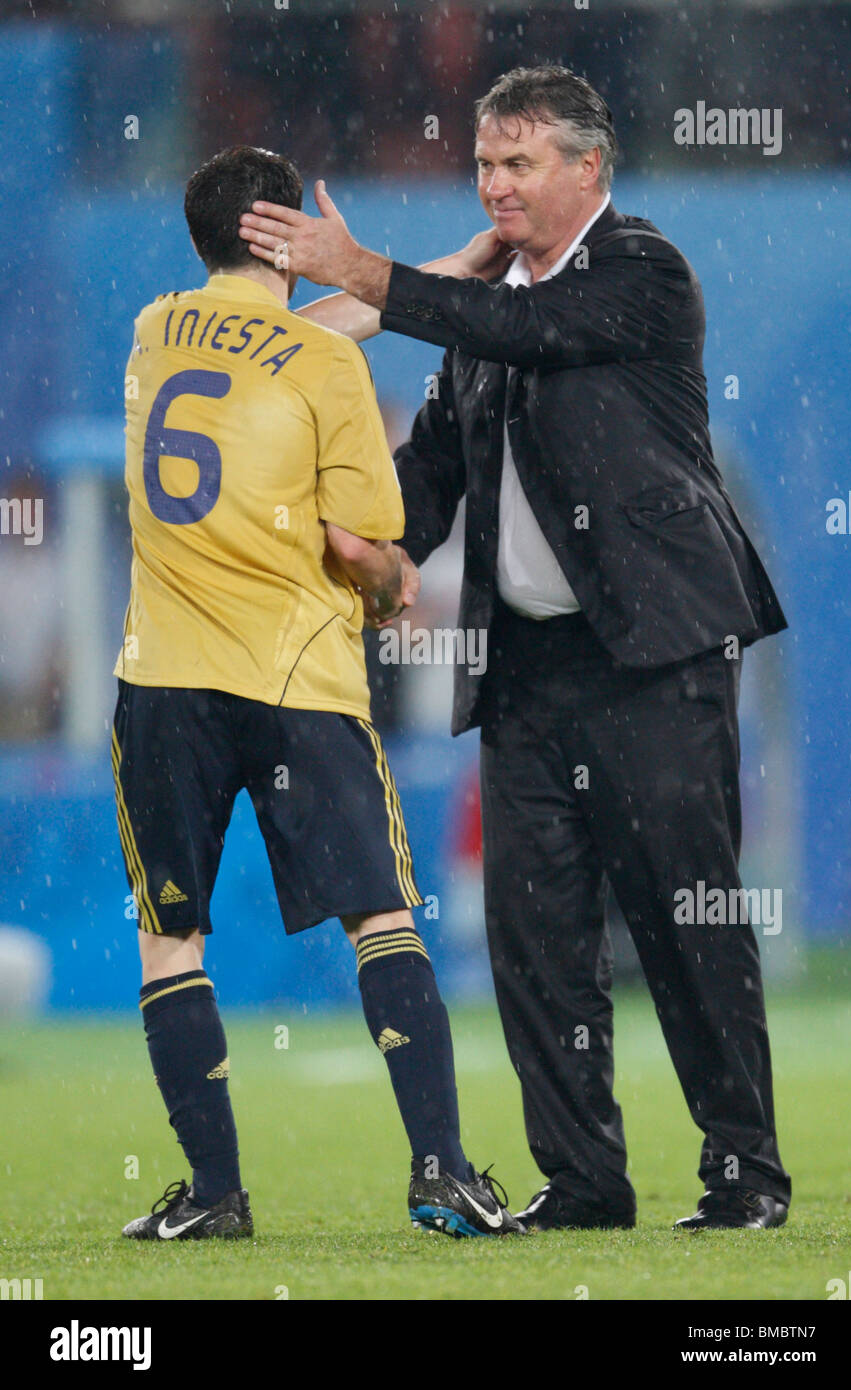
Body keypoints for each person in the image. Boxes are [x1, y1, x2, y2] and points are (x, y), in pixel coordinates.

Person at [239, 65, 792, 1232]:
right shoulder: (481, 326)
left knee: (682, 915)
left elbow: (523, 327)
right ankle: (585, 1181)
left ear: (589, 167)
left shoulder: (639, 270)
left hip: (654, 654)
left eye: (519, 161)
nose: (494, 183)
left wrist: (367, 280)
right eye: (484, 163)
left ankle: (742, 1171)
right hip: (527, 670)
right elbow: (428, 481)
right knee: (533, 937)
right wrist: (358, 543)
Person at [113, 144, 522, 1242]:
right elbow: (360, 546)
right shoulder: (326, 372)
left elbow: (287, 342)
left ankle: (213, 1196)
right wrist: (394, 587)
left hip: (162, 682)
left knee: (170, 938)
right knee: (379, 918)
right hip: (298, 681)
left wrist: (432, 273)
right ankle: (439, 1172)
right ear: (279, 234)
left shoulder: (155, 330)